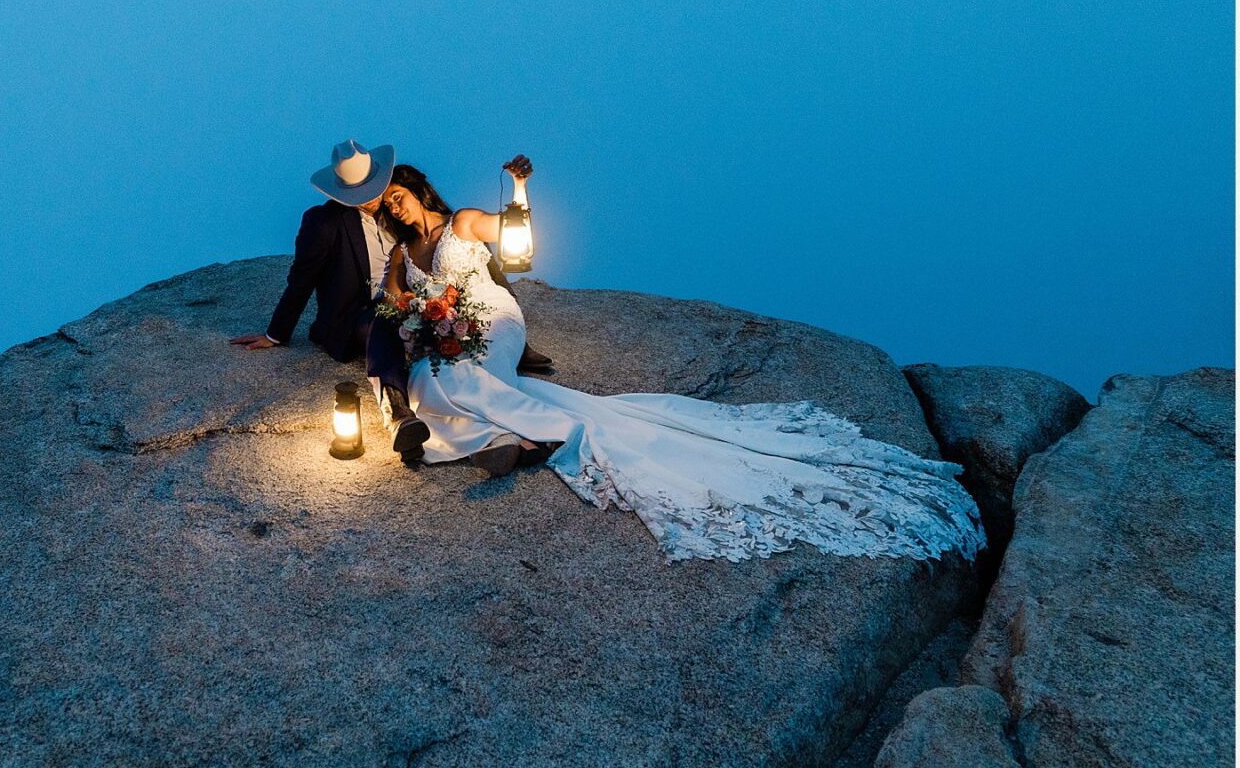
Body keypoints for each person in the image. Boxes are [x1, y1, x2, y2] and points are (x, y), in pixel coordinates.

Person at [380, 158, 986, 564]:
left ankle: (542, 433)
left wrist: (517, 190)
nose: (397, 211)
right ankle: (512, 439)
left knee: (466, 372)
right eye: (388, 208)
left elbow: (517, 240)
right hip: (448, 330)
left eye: (400, 199)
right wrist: (410, 306)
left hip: (493, 317)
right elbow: (392, 304)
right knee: (427, 375)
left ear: (420, 190)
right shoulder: (402, 256)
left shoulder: (461, 223)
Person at [230, 140, 552, 465]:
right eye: (360, 195)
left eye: (376, 190)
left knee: (438, 365)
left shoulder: (403, 214)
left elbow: (481, 264)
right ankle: (397, 413)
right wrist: (276, 334)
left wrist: (515, 333)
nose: (374, 200)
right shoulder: (323, 222)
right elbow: (301, 279)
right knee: (386, 320)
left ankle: (504, 436)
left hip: (421, 312)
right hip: (357, 317)